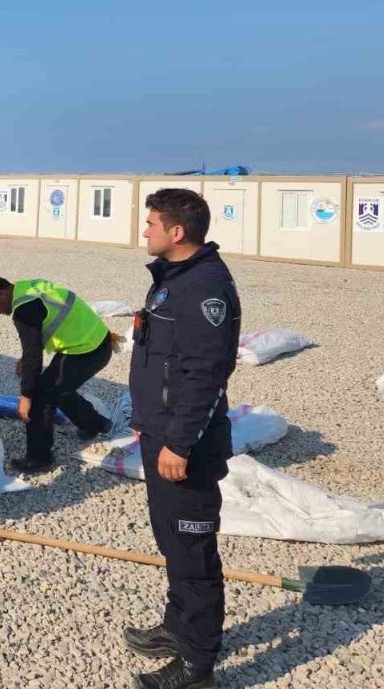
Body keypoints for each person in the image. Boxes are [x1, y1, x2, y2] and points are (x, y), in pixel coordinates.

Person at [124, 189, 241, 689]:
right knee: (172, 540)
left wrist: (180, 443)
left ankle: (197, 666)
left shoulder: (205, 287)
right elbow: (162, 360)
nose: (144, 230)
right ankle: (178, 628)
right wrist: (147, 419)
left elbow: (204, 373)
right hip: (161, 432)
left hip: (185, 446)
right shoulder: (173, 279)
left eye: (151, 223)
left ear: (177, 232)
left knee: (193, 553)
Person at [0, 276, 126, 474]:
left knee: (41, 395)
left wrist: (26, 396)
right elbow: (46, 326)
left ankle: (39, 458)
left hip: (87, 351)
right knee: (57, 387)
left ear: (1, 293)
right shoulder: (27, 288)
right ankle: (95, 423)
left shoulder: (23, 311)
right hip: (94, 342)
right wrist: (26, 358)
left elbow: (33, 359)